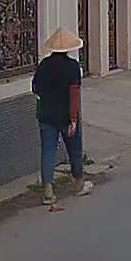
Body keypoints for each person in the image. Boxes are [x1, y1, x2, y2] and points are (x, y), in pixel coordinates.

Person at [32, 28, 93, 206]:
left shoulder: (44, 65)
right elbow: (74, 94)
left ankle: (48, 190)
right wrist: (73, 119)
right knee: (74, 149)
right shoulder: (73, 67)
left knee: (48, 151)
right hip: (67, 115)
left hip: (46, 115)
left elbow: (35, 88)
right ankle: (79, 183)